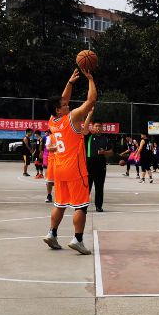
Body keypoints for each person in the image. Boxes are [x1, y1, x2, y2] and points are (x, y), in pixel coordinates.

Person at [43, 65, 97, 255]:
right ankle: (78, 239)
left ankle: (52, 233)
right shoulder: (71, 117)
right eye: (64, 105)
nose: (68, 105)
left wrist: (70, 82)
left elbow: (62, 99)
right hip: (75, 169)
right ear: (59, 110)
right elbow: (91, 100)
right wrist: (90, 79)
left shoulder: (52, 120)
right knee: (81, 206)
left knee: (60, 204)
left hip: (59, 169)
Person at [83, 116, 109, 211]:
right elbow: (85, 128)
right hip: (89, 166)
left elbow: (111, 152)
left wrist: (104, 152)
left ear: (102, 128)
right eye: (96, 126)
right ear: (93, 127)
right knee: (87, 187)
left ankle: (99, 206)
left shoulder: (105, 139)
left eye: (99, 126)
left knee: (99, 187)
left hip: (101, 166)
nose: (98, 128)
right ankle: (84, 206)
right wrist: (89, 115)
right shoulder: (88, 136)